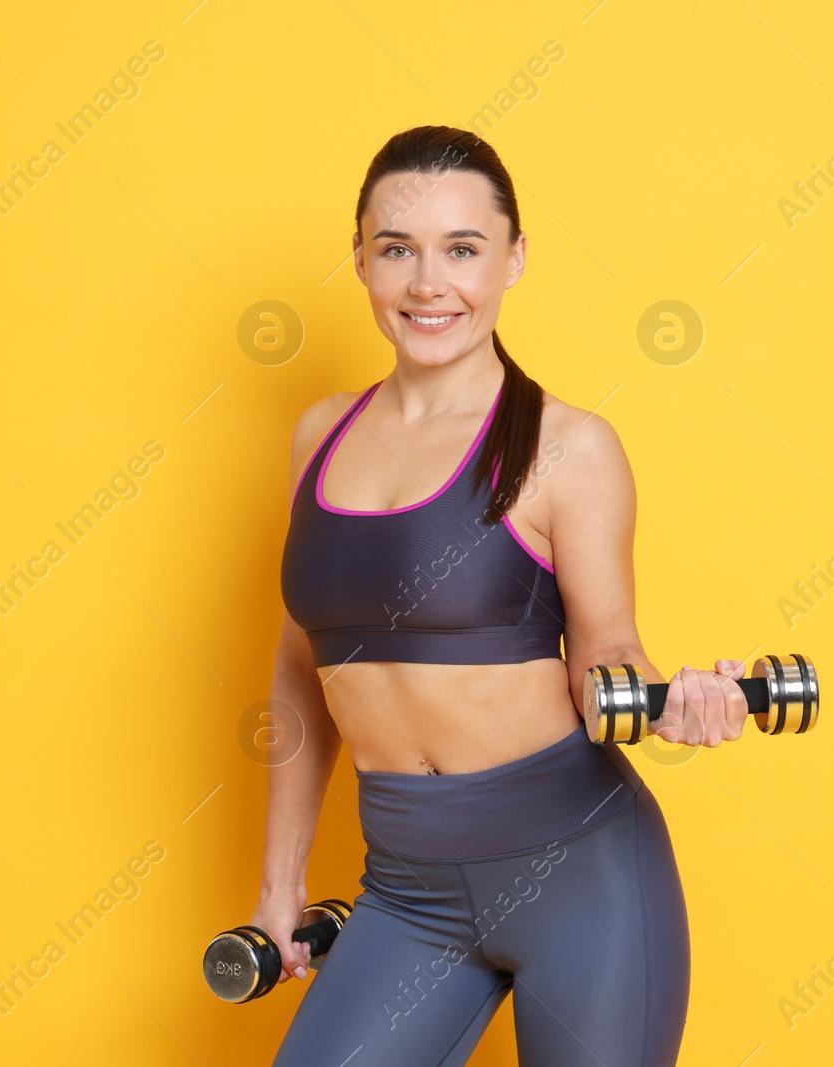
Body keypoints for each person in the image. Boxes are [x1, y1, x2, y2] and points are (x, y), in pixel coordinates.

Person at [256, 125, 752, 1067]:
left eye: (463, 250)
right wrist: (280, 885)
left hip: (583, 875)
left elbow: (608, 656)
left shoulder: (569, 448)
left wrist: (678, 701)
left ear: (513, 259)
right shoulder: (319, 435)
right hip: (407, 891)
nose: (427, 283)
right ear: (359, 258)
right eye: (396, 250)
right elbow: (299, 673)